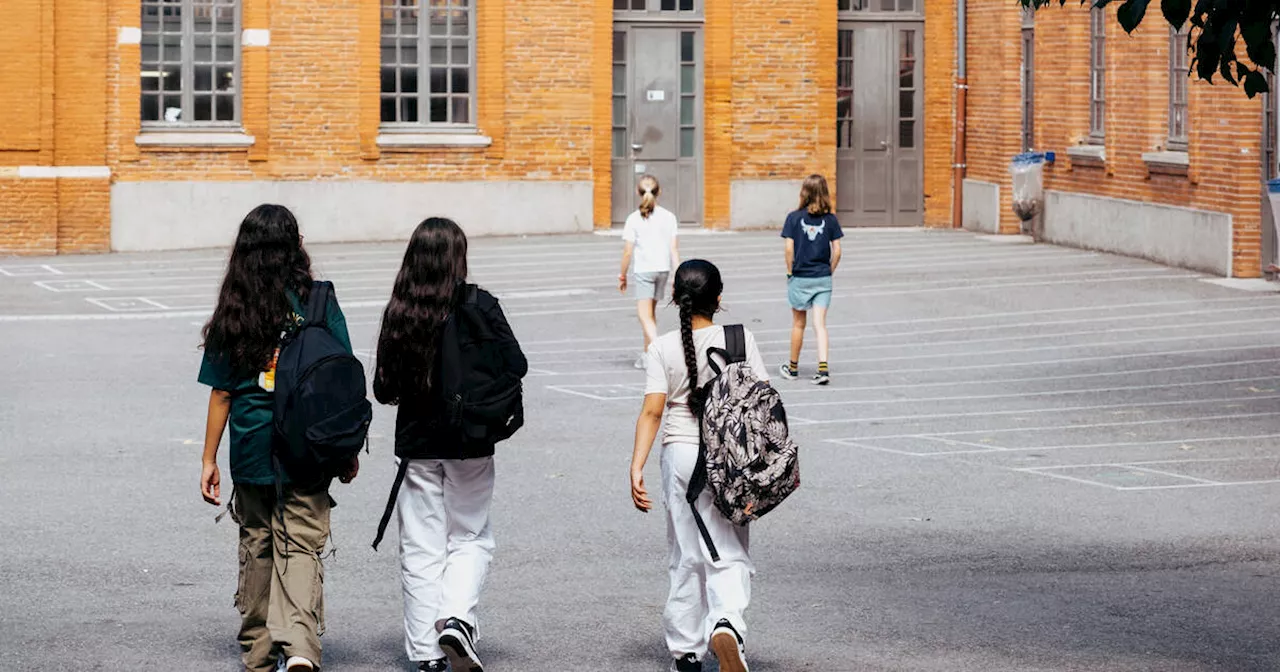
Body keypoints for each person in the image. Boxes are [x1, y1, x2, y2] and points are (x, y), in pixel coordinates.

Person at [198, 204, 358, 672]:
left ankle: (260, 649)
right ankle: (302, 649)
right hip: (308, 444)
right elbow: (340, 381)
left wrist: (208, 459)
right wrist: (345, 451)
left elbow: (223, 392)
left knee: (257, 540)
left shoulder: (236, 306)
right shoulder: (319, 300)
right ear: (296, 246)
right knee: (302, 542)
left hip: (252, 443)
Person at [373, 218, 527, 672]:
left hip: (418, 442)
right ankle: (457, 618)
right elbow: (516, 363)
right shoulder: (481, 304)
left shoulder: (401, 310)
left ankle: (425, 653)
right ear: (458, 257)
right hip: (472, 439)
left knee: (421, 547)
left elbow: (383, 389)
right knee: (471, 536)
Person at [629, 259, 770, 672]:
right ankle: (727, 625)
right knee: (729, 548)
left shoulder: (662, 347)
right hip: (730, 455)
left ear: (675, 298)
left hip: (681, 452)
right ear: (719, 299)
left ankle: (686, 653)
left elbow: (652, 412)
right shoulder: (740, 338)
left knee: (686, 552)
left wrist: (636, 466)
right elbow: (762, 398)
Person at [779, 174, 843, 386]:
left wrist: (790, 272)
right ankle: (823, 367)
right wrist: (829, 270)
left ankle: (793, 367)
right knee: (820, 324)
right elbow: (838, 250)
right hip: (822, 277)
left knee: (798, 323)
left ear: (804, 193)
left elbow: (789, 249)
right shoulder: (831, 220)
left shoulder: (794, 218)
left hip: (800, 276)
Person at [619, 174, 681, 369]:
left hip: (645, 271)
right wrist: (676, 275)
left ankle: (657, 351)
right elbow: (674, 249)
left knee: (643, 316)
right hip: (662, 269)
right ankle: (648, 355)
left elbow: (628, 252)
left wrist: (622, 274)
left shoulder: (634, 218)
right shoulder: (669, 217)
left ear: (638, 192)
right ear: (659, 191)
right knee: (650, 315)